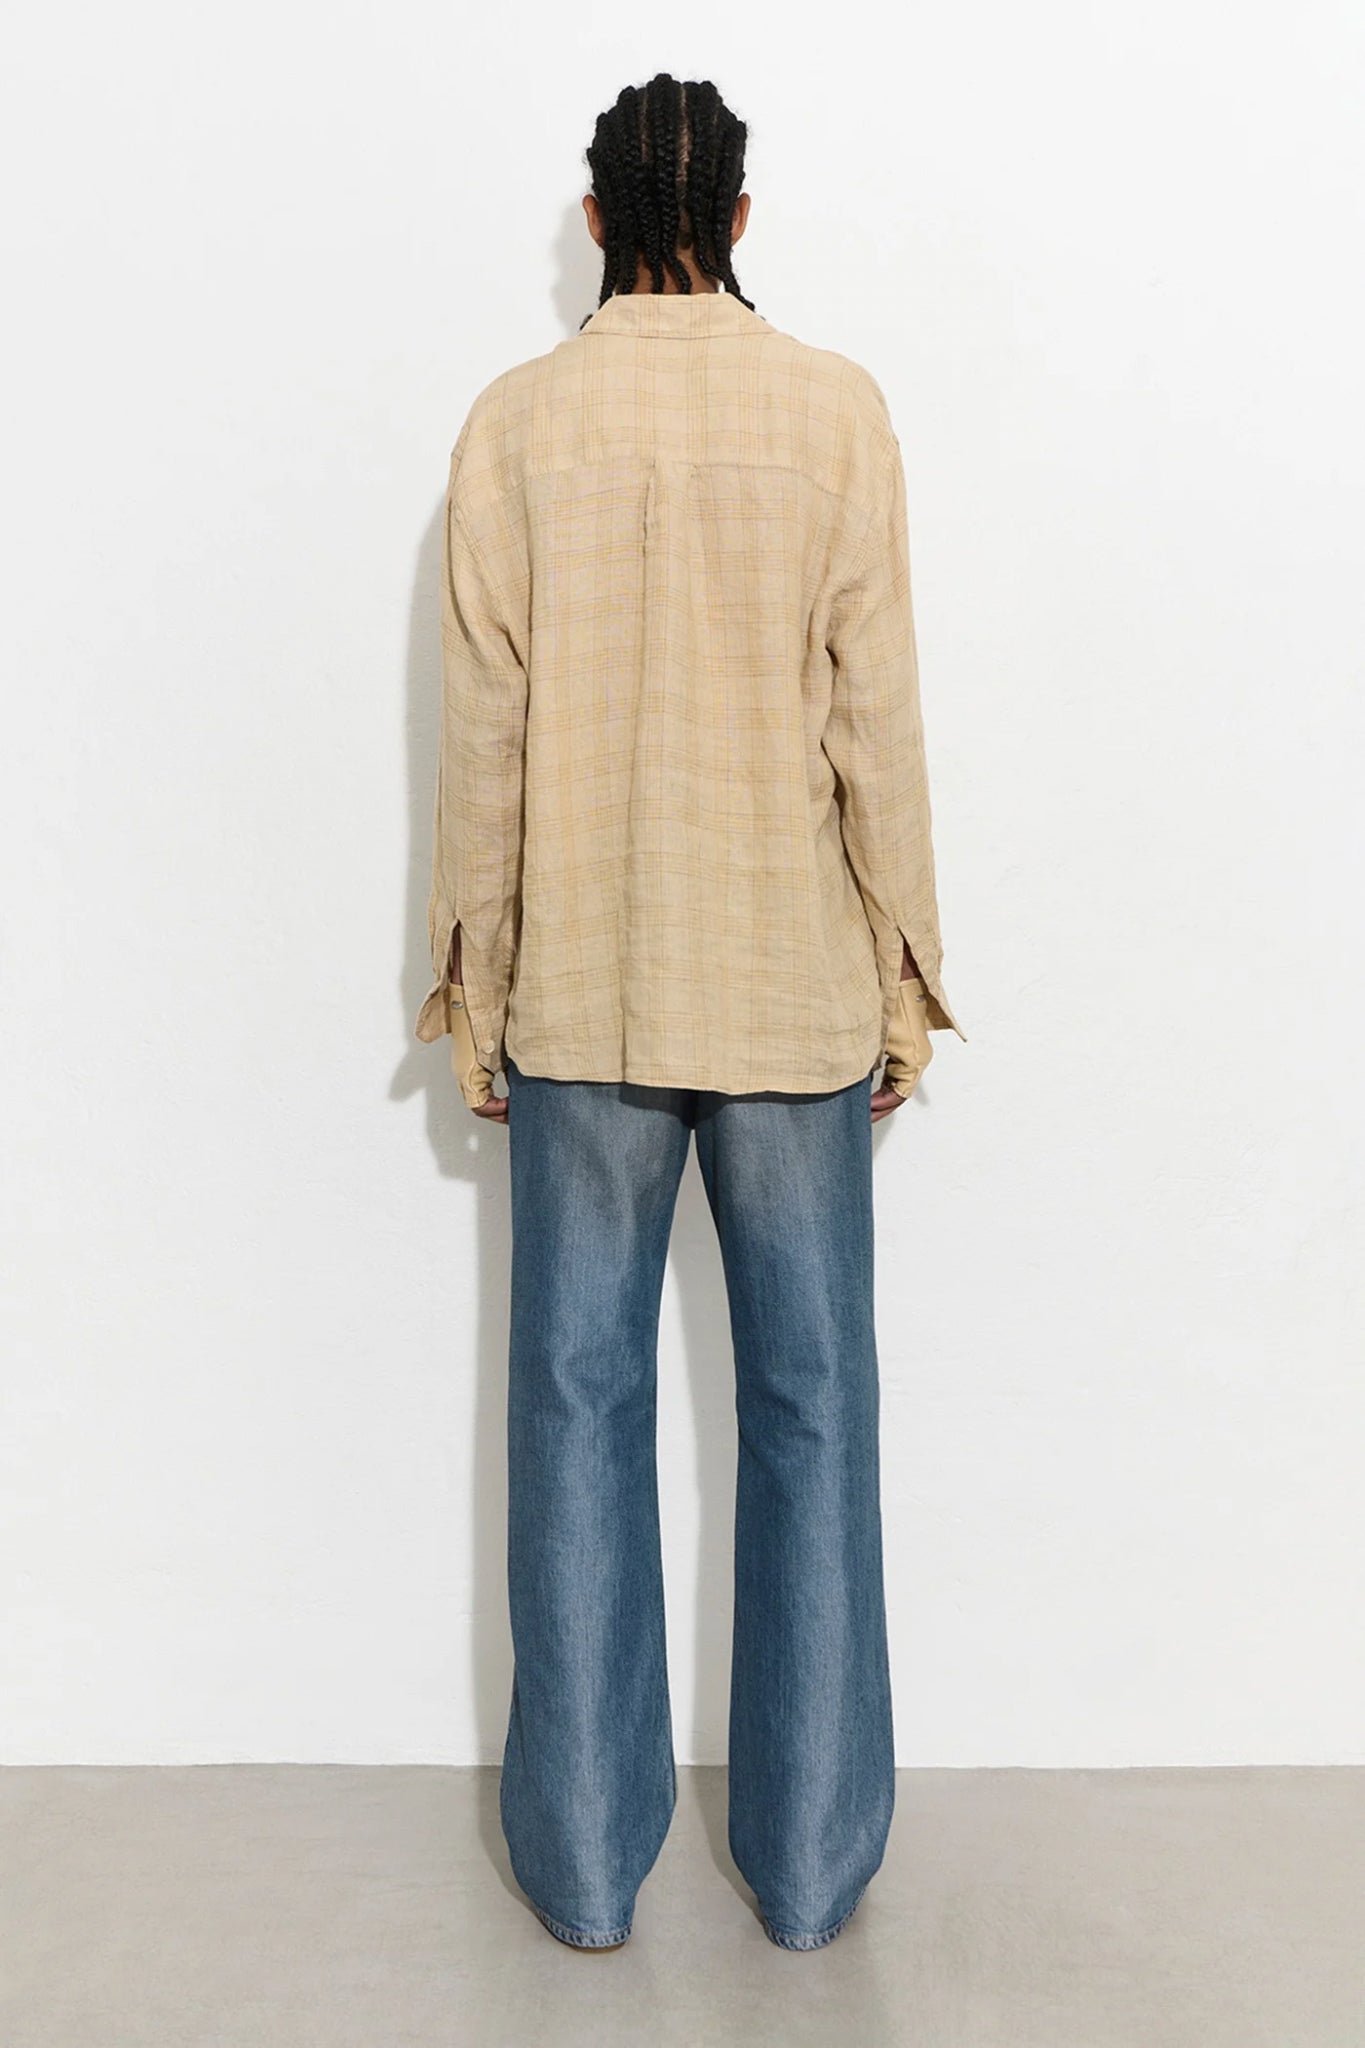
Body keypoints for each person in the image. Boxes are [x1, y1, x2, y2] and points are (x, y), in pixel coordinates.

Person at [415, 71, 967, 1954]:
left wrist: (477, 987)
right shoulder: (833, 413)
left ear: (596, 219)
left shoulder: (516, 425)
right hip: (787, 988)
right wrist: (902, 974)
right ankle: (807, 1873)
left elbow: (483, 742)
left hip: (581, 988)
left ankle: (581, 1868)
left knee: (573, 1408)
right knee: (813, 1405)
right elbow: (874, 723)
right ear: (738, 219)